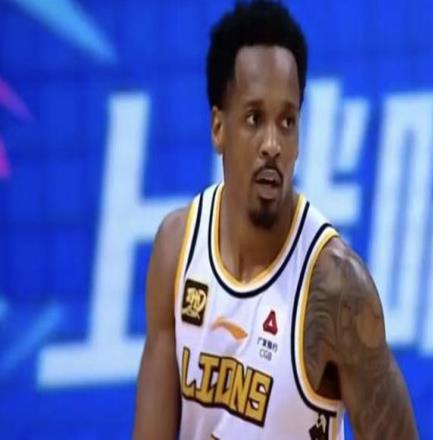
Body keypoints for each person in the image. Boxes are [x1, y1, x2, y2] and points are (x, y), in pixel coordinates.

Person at [133, 1, 418, 439]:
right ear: (218, 128)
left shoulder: (337, 289)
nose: (272, 144)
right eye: (254, 118)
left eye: (287, 121)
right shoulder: (177, 249)